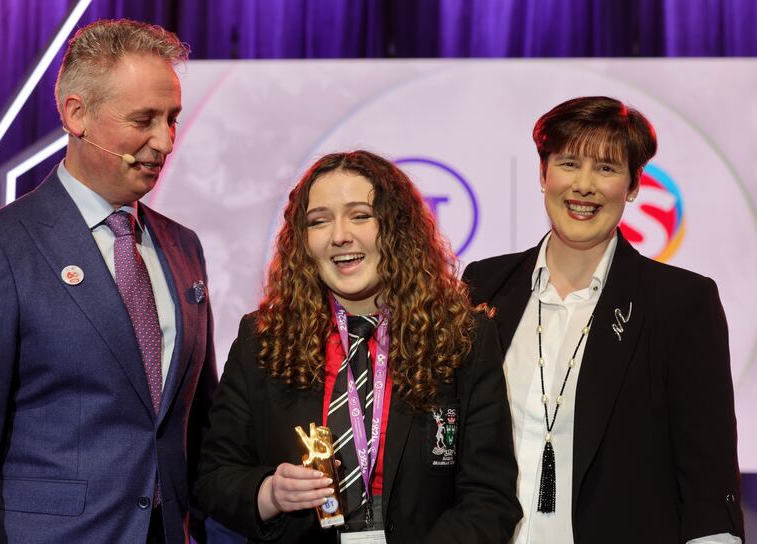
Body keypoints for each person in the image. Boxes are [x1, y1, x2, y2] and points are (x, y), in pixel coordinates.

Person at [0, 19, 217, 543]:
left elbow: (203, 425)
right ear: (77, 115)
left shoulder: (183, 246)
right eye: (144, 119)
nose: (164, 141)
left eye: (171, 119)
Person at [194, 150, 521, 543]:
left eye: (360, 215)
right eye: (319, 221)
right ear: (303, 241)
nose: (339, 235)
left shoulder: (462, 338)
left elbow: (489, 498)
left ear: (397, 228)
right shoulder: (263, 339)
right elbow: (213, 476)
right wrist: (269, 493)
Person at [463, 96, 744, 543]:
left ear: (633, 186)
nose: (584, 186)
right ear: (543, 173)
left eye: (607, 169)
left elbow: (707, 476)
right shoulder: (484, 285)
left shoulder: (681, 302)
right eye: (569, 163)